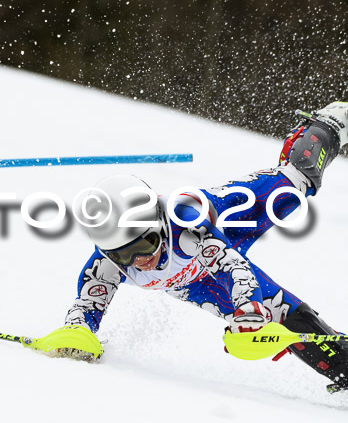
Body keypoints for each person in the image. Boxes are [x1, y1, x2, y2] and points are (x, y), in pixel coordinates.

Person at [57, 102, 348, 394]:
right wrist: (76, 336)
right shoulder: (106, 263)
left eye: (145, 245)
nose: (139, 261)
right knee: (282, 321)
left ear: (157, 223)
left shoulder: (186, 225)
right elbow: (84, 310)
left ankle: (329, 125)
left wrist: (248, 306)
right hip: (194, 280)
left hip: (229, 219)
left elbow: (231, 266)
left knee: (297, 183)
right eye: (123, 255)